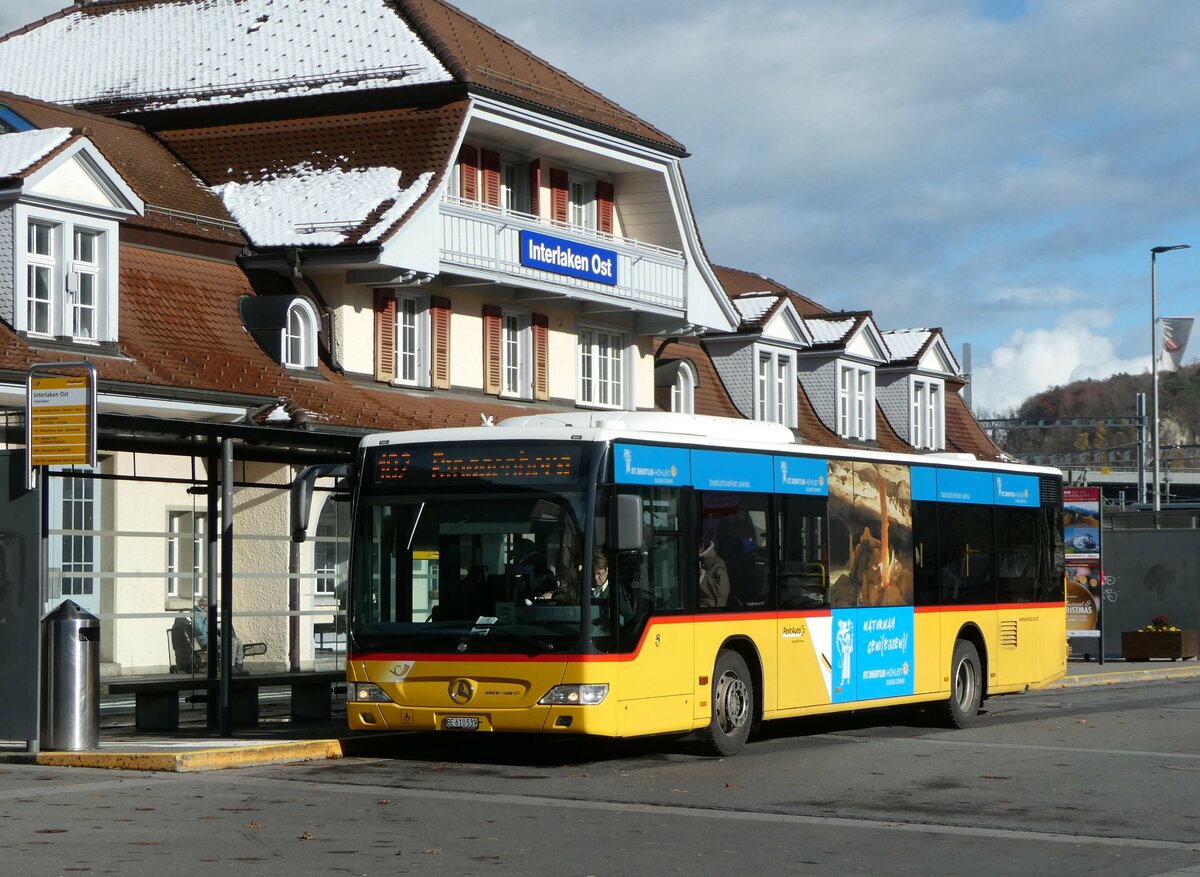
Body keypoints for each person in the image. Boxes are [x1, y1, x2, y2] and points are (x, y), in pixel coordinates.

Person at [194, 595, 246, 674]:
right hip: (206, 641)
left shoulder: (205, 614)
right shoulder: (197, 615)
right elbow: (200, 631)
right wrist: (207, 618)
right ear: (202, 606)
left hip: (215, 639)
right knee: (232, 642)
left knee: (238, 641)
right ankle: (230, 667)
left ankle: (238, 666)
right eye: (208, 606)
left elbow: (212, 627)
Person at [698, 541, 730, 609]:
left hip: (710, 611)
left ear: (701, 546)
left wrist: (702, 578)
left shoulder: (717, 563)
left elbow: (721, 590)